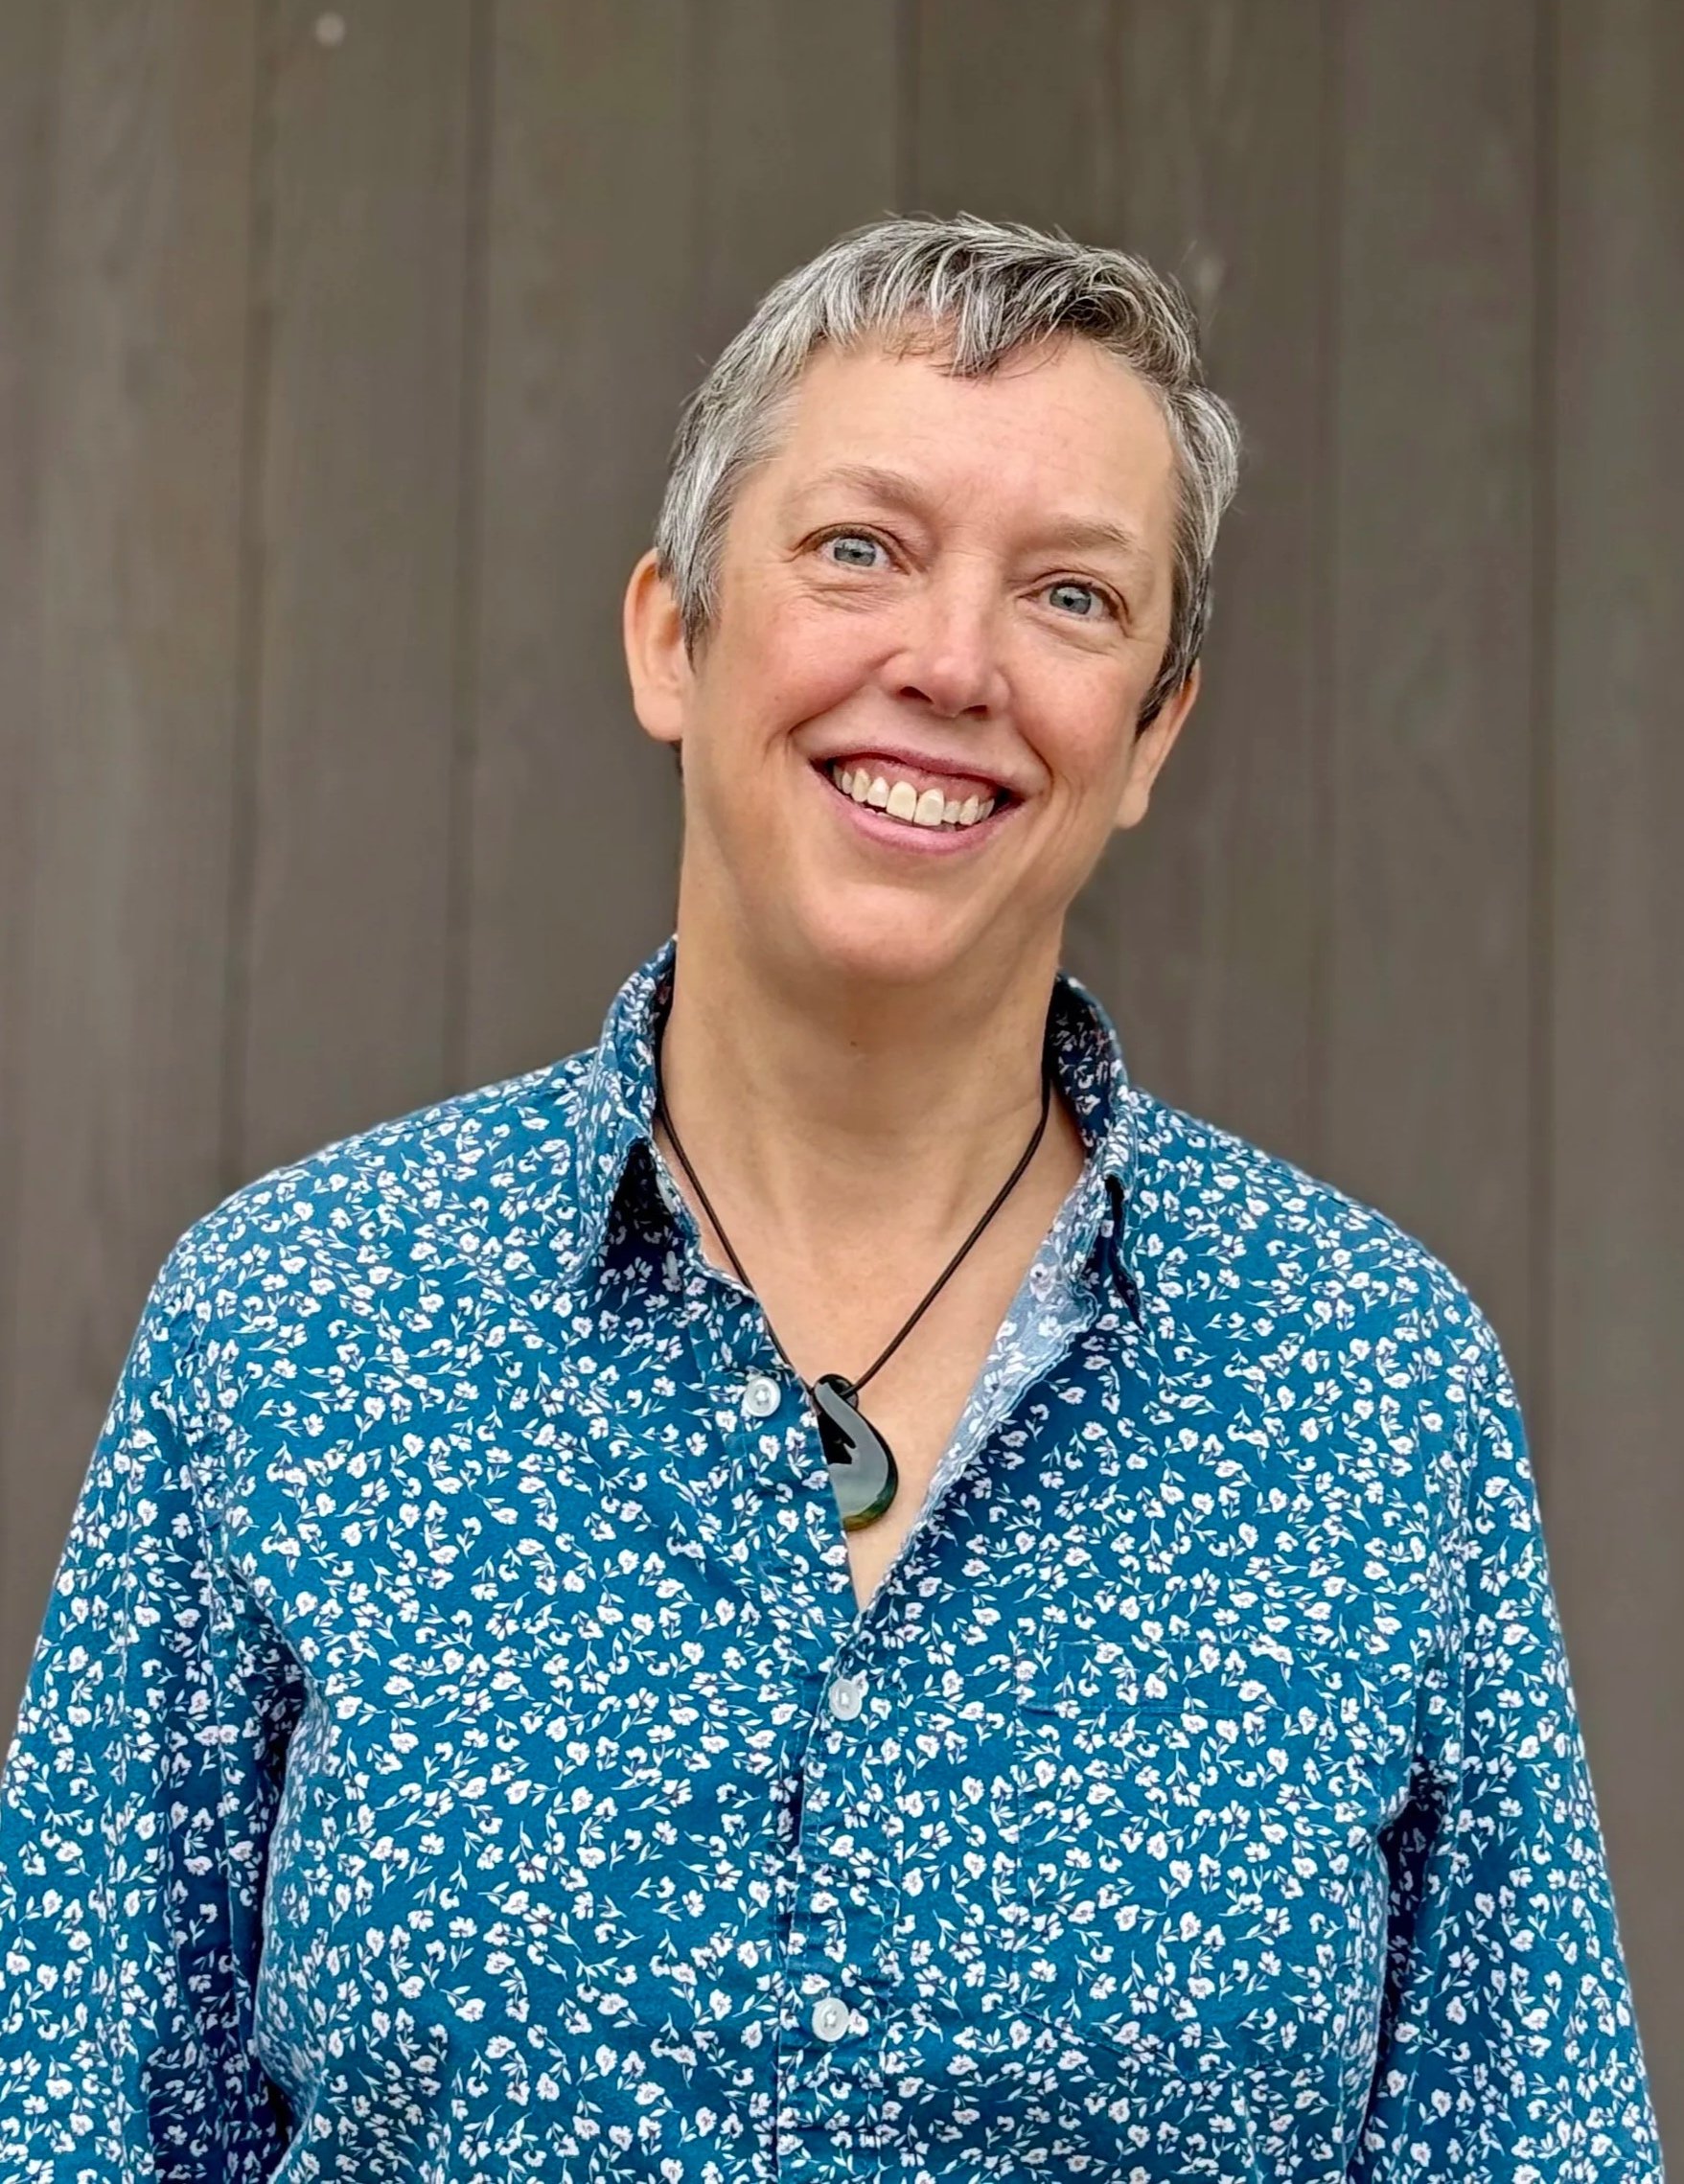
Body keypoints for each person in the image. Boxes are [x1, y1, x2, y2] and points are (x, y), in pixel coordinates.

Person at [0, 214, 1663, 2181]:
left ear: (1152, 736)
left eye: (1070, 594)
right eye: (860, 548)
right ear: (670, 634)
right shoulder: (300, 1322)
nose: (950, 662)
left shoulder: (1372, 1383)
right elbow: (74, 2116)